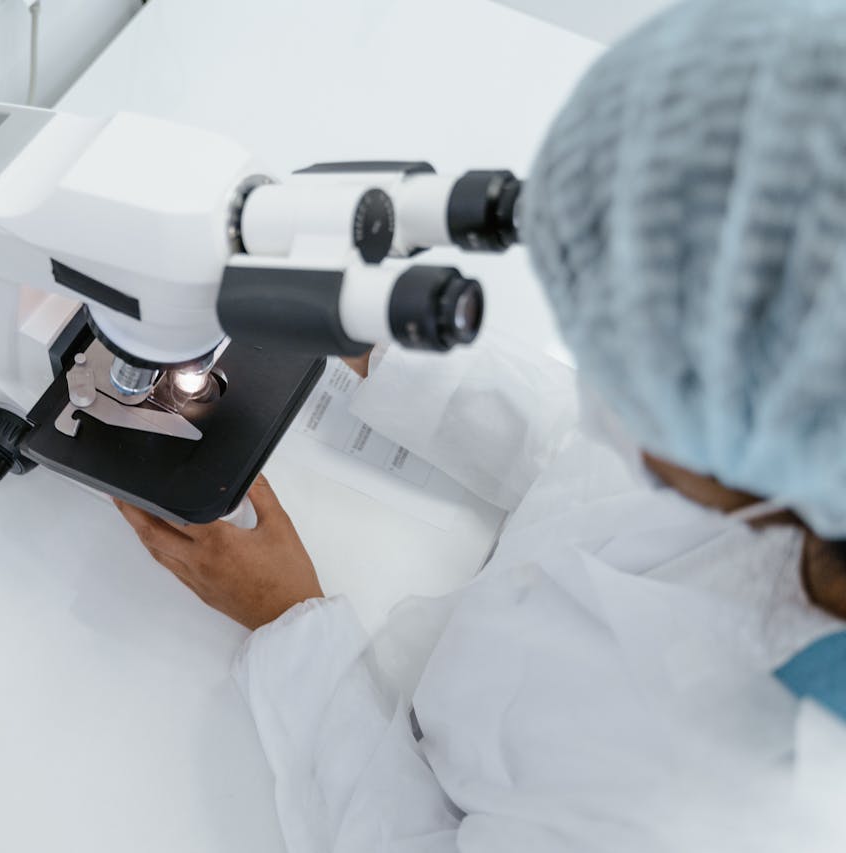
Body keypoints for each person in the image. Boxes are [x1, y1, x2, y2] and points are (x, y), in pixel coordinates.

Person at [114, 1, 846, 850]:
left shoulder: (734, 814)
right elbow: (589, 461)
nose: (601, 367)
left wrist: (288, 622)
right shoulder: (800, 444)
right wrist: (370, 334)